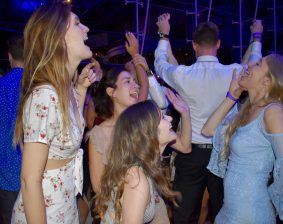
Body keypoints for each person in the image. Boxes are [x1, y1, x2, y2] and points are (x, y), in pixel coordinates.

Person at [154, 13, 263, 223]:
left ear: (194, 45)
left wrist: (163, 35)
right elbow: (254, 63)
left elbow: (160, 64)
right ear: (218, 44)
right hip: (224, 153)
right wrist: (256, 37)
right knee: (226, 212)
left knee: (184, 214)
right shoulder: (234, 72)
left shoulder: (183, 74)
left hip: (191, 153)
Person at [12, 2, 97, 223]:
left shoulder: (65, 90)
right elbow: (29, 180)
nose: (86, 28)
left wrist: (80, 88)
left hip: (64, 209)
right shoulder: (45, 95)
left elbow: (68, 132)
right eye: (77, 23)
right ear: (58, 38)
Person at [202, 54, 283, 223]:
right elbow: (208, 130)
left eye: (258, 63)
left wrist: (279, 199)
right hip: (230, 211)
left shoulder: (273, 111)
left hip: (251, 213)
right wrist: (231, 96)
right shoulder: (247, 109)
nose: (249, 64)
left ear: (267, 81)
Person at [94, 97, 190, 223]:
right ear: (148, 132)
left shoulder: (145, 166)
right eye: (162, 118)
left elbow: (185, 146)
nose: (170, 118)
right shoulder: (137, 179)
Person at [0, 36, 24, 224]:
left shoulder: (1, 86)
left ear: (9, 57)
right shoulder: (37, 85)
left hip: (5, 173)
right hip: (35, 170)